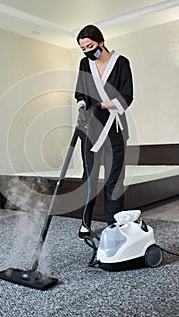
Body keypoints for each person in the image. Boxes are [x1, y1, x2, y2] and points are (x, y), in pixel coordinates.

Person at [74, 24, 133, 239]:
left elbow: (127, 97)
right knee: (88, 176)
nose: (87, 51)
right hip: (91, 128)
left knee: (114, 178)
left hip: (115, 128)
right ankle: (85, 222)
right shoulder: (84, 63)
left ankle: (114, 223)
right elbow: (80, 92)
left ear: (100, 42)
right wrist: (82, 106)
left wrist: (99, 106)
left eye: (90, 46)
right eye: (83, 48)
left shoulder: (121, 63)